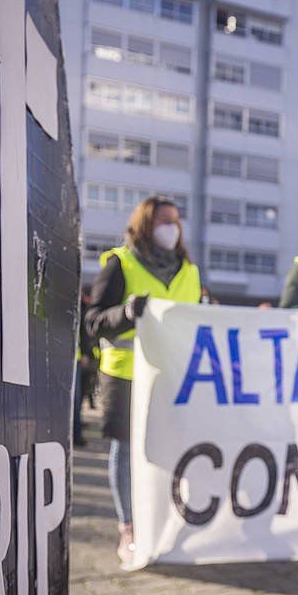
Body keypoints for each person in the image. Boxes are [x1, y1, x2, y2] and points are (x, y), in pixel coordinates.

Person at [85, 196, 201, 564]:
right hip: (126, 375)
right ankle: (129, 528)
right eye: (164, 221)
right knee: (126, 453)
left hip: (173, 379)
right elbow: (94, 322)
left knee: (169, 452)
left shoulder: (189, 270)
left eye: (176, 221)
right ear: (145, 225)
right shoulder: (121, 263)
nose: (172, 228)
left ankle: (165, 521)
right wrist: (127, 312)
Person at [73, 288, 97, 447]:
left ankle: (77, 431)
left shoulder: (79, 305)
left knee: (78, 398)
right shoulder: (78, 305)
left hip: (77, 358)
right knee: (75, 399)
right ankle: (76, 433)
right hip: (76, 358)